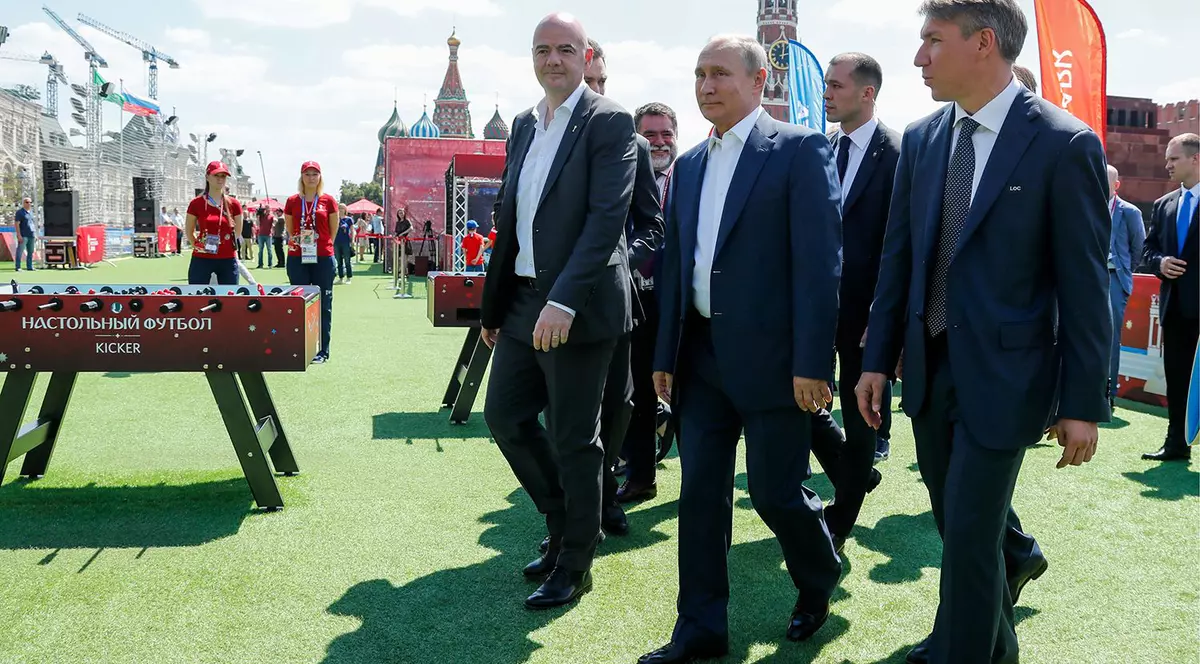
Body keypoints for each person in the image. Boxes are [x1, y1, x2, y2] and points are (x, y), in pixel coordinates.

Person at [855, 2, 1110, 662]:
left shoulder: (1065, 143)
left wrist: (1083, 405)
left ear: (983, 44)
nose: (918, 58)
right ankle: (982, 645)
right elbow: (899, 260)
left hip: (1008, 380)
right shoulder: (922, 138)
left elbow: (1084, 287)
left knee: (970, 534)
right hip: (930, 369)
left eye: (932, 41)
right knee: (957, 526)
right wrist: (876, 358)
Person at [641, 34, 843, 664]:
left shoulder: (800, 149)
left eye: (721, 73)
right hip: (700, 361)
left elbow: (821, 266)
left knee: (777, 494)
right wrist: (664, 355)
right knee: (701, 495)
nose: (706, 85)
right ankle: (699, 629)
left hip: (778, 366)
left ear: (759, 83)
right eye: (700, 73)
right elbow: (678, 266)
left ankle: (818, 579)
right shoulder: (691, 166)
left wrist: (814, 365)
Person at [480, 12, 637, 611]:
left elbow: (605, 222)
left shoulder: (609, 119)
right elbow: (513, 221)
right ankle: (563, 521)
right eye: (542, 49)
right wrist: (496, 306)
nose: (553, 60)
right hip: (521, 303)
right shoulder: (524, 123)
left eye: (565, 50)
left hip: (580, 304)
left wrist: (564, 301)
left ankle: (576, 559)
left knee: (576, 438)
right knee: (506, 417)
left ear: (585, 54)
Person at [584, 39, 665, 538]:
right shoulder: (535, 132)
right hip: (549, 303)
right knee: (545, 412)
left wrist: (620, 263)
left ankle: (605, 498)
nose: (595, 91)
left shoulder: (631, 146)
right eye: (589, 81)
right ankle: (572, 504)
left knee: (620, 403)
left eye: (601, 82)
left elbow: (651, 225)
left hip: (615, 302)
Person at [617, 101, 679, 505]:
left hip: (681, 306)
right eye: (650, 135)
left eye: (666, 134)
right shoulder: (618, 176)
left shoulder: (693, 174)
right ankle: (641, 476)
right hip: (636, 302)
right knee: (638, 393)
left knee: (690, 393)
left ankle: (703, 482)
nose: (658, 142)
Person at [1141, 132, 1199, 462]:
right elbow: (1148, 248)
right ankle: (1177, 444)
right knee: (1176, 379)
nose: (1167, 165)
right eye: (1166, 158)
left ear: (1195, 159)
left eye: (1173, 158)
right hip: (1175, 309)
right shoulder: (1164, 205)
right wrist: (1160, 263)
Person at [283, 161, 338, 364]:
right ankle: (299, 347)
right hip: (298, 256)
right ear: (302, 177)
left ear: (320, 177)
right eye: (308, 174)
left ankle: (322, 350)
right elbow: (290, 228)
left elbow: (332, 230)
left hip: (323, 256)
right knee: (299, 302)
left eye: (315, 174)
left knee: (324, 303)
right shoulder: (292, 201)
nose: (311, 177)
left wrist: (321, 244)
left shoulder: (329, 201)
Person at [1105, 165, 1145, 411]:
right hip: (1087, 278)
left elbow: (1137, 248)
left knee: (1110, 339)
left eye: (1106, 180)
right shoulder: (1086, 207)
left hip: (1114, 279)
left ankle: (1109, 394)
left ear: (1117, 184)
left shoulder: (1130, 212)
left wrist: (1123, 274)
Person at [185, 162, 243, 285]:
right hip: (202, 258)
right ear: (207, 177)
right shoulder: (196, 203)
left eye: (223, 176)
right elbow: (189, 232)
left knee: (229, 297)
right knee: (196, 296)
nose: (220, 179)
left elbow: (237, 232)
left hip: (227, 258)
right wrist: (197, 245)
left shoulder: (234, 204)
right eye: (216, 175)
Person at [334, 203, 356, 284]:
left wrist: (352, 240)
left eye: (342, 208)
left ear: (345, 210)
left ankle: (349, 277)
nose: (341, 210)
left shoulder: (349, 219)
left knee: (347, 260)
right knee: (339, 261)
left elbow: (353, 231)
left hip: (346, 242)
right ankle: (341, 277)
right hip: (336, 242)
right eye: (339, 208)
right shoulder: (335, 219)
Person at [13, 197, 35, 272]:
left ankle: (30, 266)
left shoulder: (31, 212)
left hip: (31, 235)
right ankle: (18, 266)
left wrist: (35, 234)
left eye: (30, 202)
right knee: (20, 251)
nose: (29, 204)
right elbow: (17, 224)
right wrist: (19, 235)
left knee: (31, 251)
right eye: (27, 202)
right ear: (23, 203)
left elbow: (32, 224)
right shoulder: (20, 212)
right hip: (23, 235)